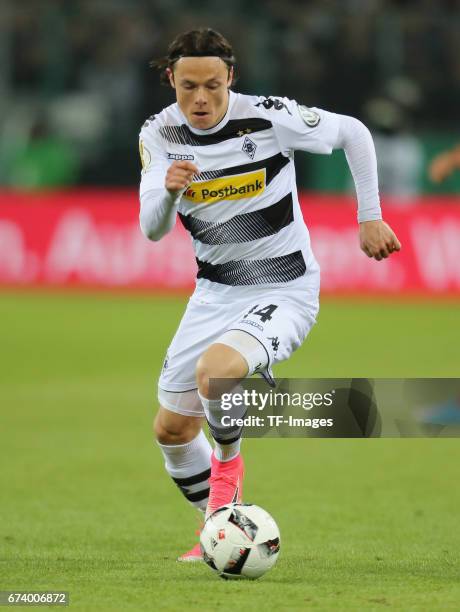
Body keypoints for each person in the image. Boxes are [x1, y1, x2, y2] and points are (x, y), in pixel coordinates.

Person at [138, 28, 401, 562]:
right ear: (171, 79)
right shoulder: (158, 134)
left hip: (285, 287)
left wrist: (369, 214)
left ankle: (227, 475)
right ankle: (218, 526)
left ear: (231, 78)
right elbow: (152, 229)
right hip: (214, 293)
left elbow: (352, 132)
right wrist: (168, 192)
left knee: (219, 371)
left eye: (213, 85)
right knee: (171, 429)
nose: (201, 99)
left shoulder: (268, 116)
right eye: (188, 86)